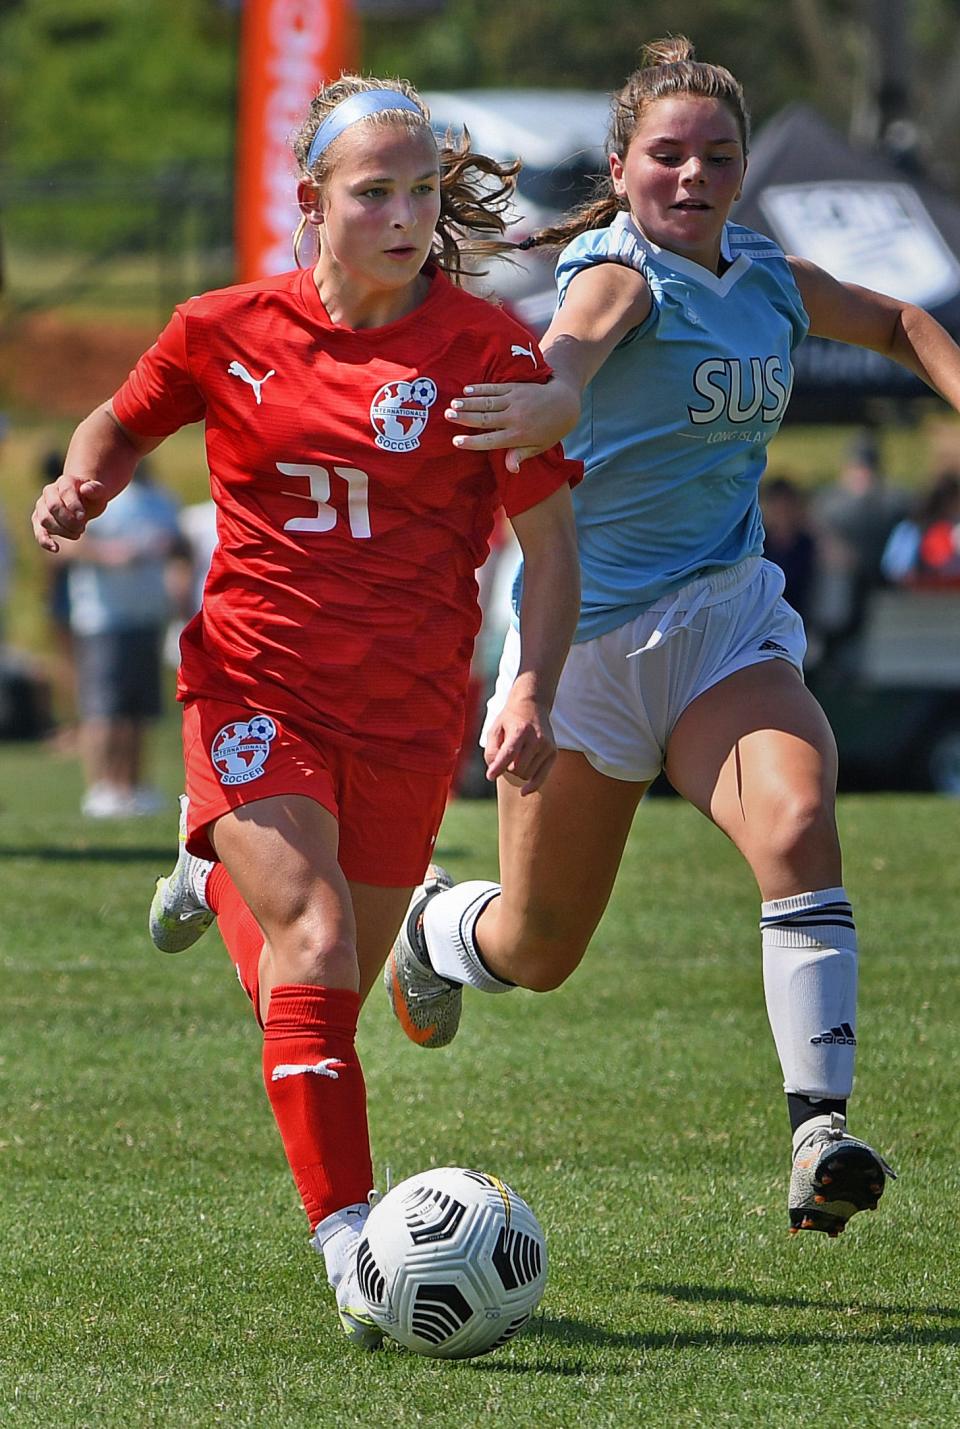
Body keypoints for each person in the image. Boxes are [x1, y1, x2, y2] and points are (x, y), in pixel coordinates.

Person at [378, 33, 960, 1241]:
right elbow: (572, 353)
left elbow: (904, 321)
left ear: (742, 171)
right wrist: (548, 395)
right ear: (621, 163)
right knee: (537, 950)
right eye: (668, 155)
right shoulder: (617, 273)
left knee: (798, 818)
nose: (691, 178)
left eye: (717, 156)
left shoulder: (768, 275)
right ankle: (430, 926)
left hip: (720, 617)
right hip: (583, 643)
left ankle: (820, 1135)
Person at [32, 74, 579, 1349]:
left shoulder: (487, 351)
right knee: (320, 941)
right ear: (314, 201)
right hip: (253, 684)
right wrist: (80, 485)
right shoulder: (225, 325)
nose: (401, 214)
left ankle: (206, 855)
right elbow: (117, 427)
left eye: (422, 191)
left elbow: (549, 552)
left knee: (324, 974)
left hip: (404, 720)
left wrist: (531, 681)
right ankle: (351, 1244)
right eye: (373, 190)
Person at [57, 460, 182, 816]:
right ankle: (102, 787)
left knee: (139, 709)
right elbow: (64, 546)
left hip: (147, 614)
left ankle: (134, 786)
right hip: (104, 617)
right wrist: (109, 554)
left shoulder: (161, 499)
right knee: (104, 708)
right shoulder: (93, 498)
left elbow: (177, 548)